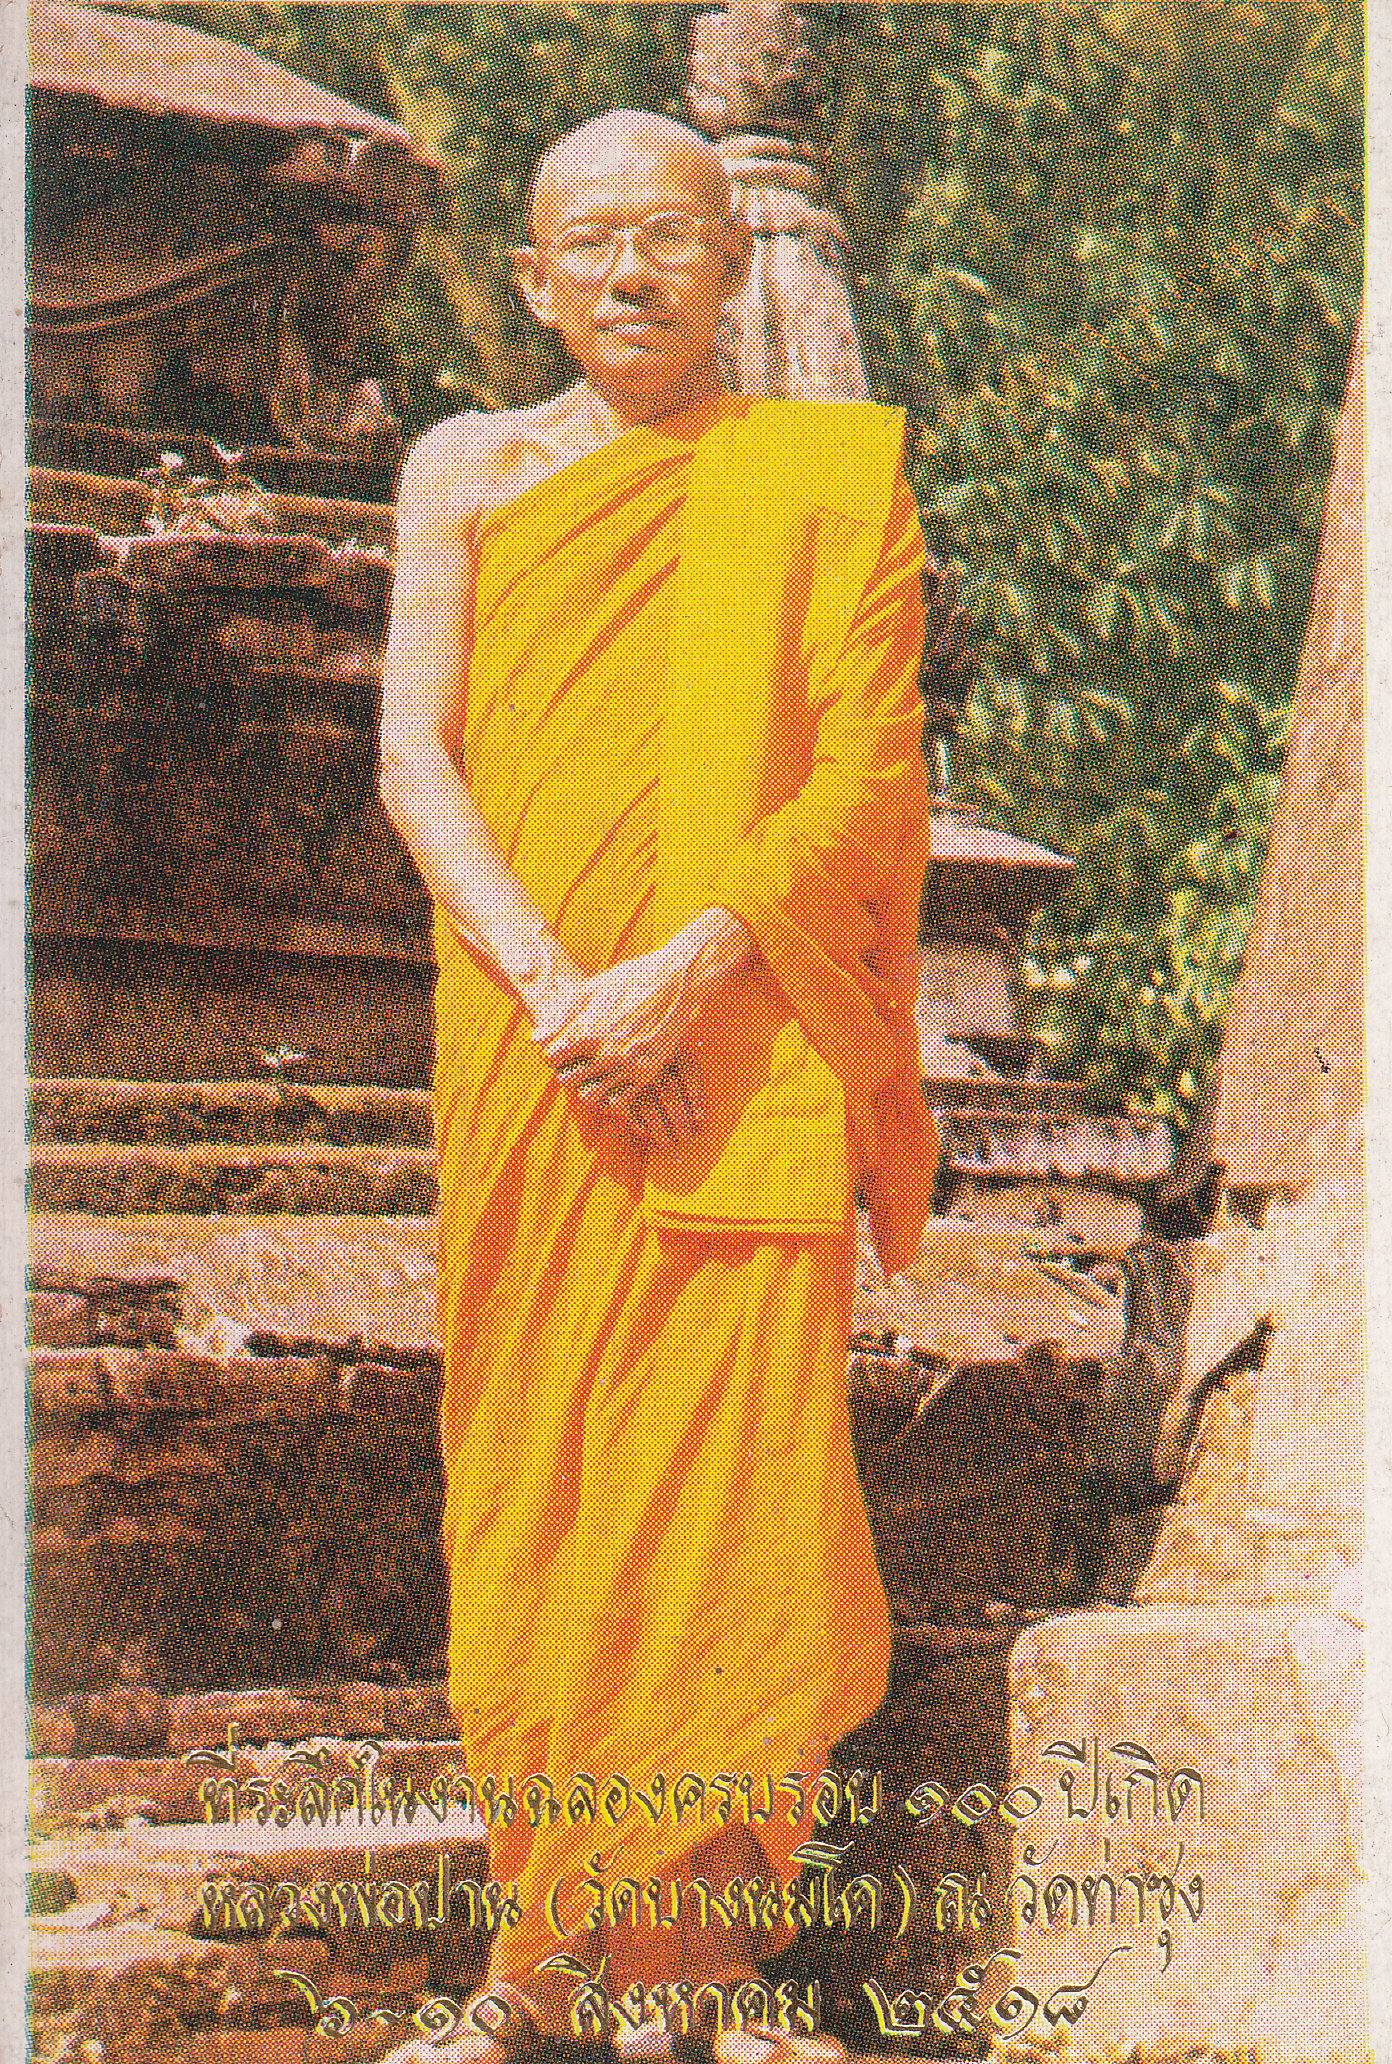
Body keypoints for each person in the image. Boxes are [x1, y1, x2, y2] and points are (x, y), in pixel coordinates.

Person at [377, 108, 938, 2056]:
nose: (632, 272)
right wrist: (565, 996)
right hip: (535, 1058)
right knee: (540, 1490)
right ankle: (537, 1972)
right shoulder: (467, 467)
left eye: (671, 237)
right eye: (594, 242)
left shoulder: (821, 476)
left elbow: (866, 781)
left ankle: (698, 1986)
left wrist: (683, 977)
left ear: (732, 266)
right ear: (533, 280)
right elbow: (416, 757)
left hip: (738, 1048)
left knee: (726, 1500)